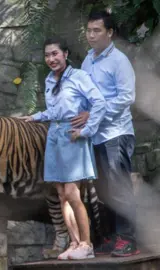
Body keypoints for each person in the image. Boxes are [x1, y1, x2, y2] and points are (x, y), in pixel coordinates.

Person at [19, 37, 106, 260]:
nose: (51, 59)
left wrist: (86, 131)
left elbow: (99, 103)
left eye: (55, 54)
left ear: (65, 54)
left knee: (72, 192)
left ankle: (87, 245)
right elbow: (55, 112)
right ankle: (75, 243)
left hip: (72, 136)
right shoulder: (49, 80)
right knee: (61, 194)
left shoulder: (79, 77)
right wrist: (37, 116)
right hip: (54, 137)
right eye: (47, 55)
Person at [70, 10, 139, 257]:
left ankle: (128, 239)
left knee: (119, 186)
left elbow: (127, 97)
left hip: (116, 134)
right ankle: (113, 237)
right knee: (104, 189)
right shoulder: (88, 60)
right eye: (88, 30)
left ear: (110, 33)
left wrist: (95, 113)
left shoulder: (119, 61)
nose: (91, 35)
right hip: (95, 135)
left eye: (97, 30)